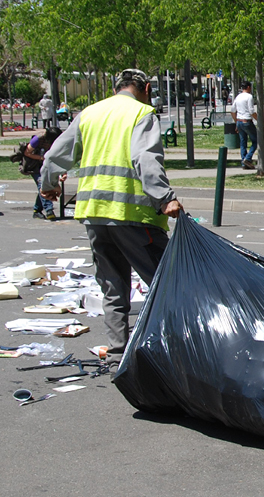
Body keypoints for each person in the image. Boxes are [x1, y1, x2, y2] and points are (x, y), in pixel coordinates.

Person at [40, 68, 183, 367]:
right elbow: (144, 158)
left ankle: (117, 351)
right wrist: (165, 198)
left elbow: (55, 155)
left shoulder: (90, 113)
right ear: (143, 88)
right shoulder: (142, 113)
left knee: (113, 286)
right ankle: (180, 349)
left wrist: (49, 185)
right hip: (133, 216)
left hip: (94, 216)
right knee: (167, 283)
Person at [24, 127, 63, 220]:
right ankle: (49, 210)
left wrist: (63, 172)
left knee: (42, 187)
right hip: (34, 166)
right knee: (42, 183)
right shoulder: (37, 139)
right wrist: (42, 158)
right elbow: (27, 152)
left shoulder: (57, 141)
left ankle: (37, 210)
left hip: (46, 166)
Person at [230, 81, 259, 170]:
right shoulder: (249, 97)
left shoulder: (238, 97)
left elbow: (232, 111)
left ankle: (244, 162)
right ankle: (247, 158)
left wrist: (236, 122)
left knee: (243, 142)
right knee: (256, 140)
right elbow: (251, 111)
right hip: (247, 121)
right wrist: (259, 120)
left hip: (239, 121)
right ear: (248, 87)